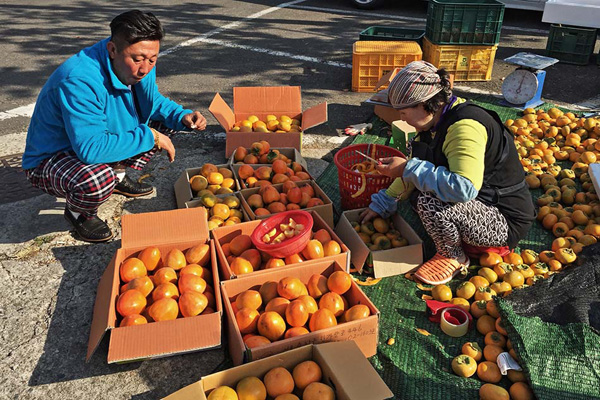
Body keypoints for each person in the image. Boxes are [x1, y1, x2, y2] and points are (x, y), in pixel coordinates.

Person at [22, 10, 207, 243]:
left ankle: (118, 176)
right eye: (138, 59)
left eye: (153, 59)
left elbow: (151, 102)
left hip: (93, 137)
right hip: (52, 157)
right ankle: (80, 213)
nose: (145, 68)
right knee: (98, 180)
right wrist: (150, 136)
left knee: (164, 124)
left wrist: (182, 115)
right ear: (112, 50)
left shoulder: (140, 60)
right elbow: (91, 149)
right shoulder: (79, 79)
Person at [361, 61, 535, 285]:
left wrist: (406, 167)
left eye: (403, 112)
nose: (401, 119)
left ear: (425, 105)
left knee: (430, 200)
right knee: (422, 186)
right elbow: (419, 166)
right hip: (480, 204)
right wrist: (385, 200)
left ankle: (454, 256)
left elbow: (463, 188)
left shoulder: (465, 128)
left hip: (503, 220)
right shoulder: (433, 123)